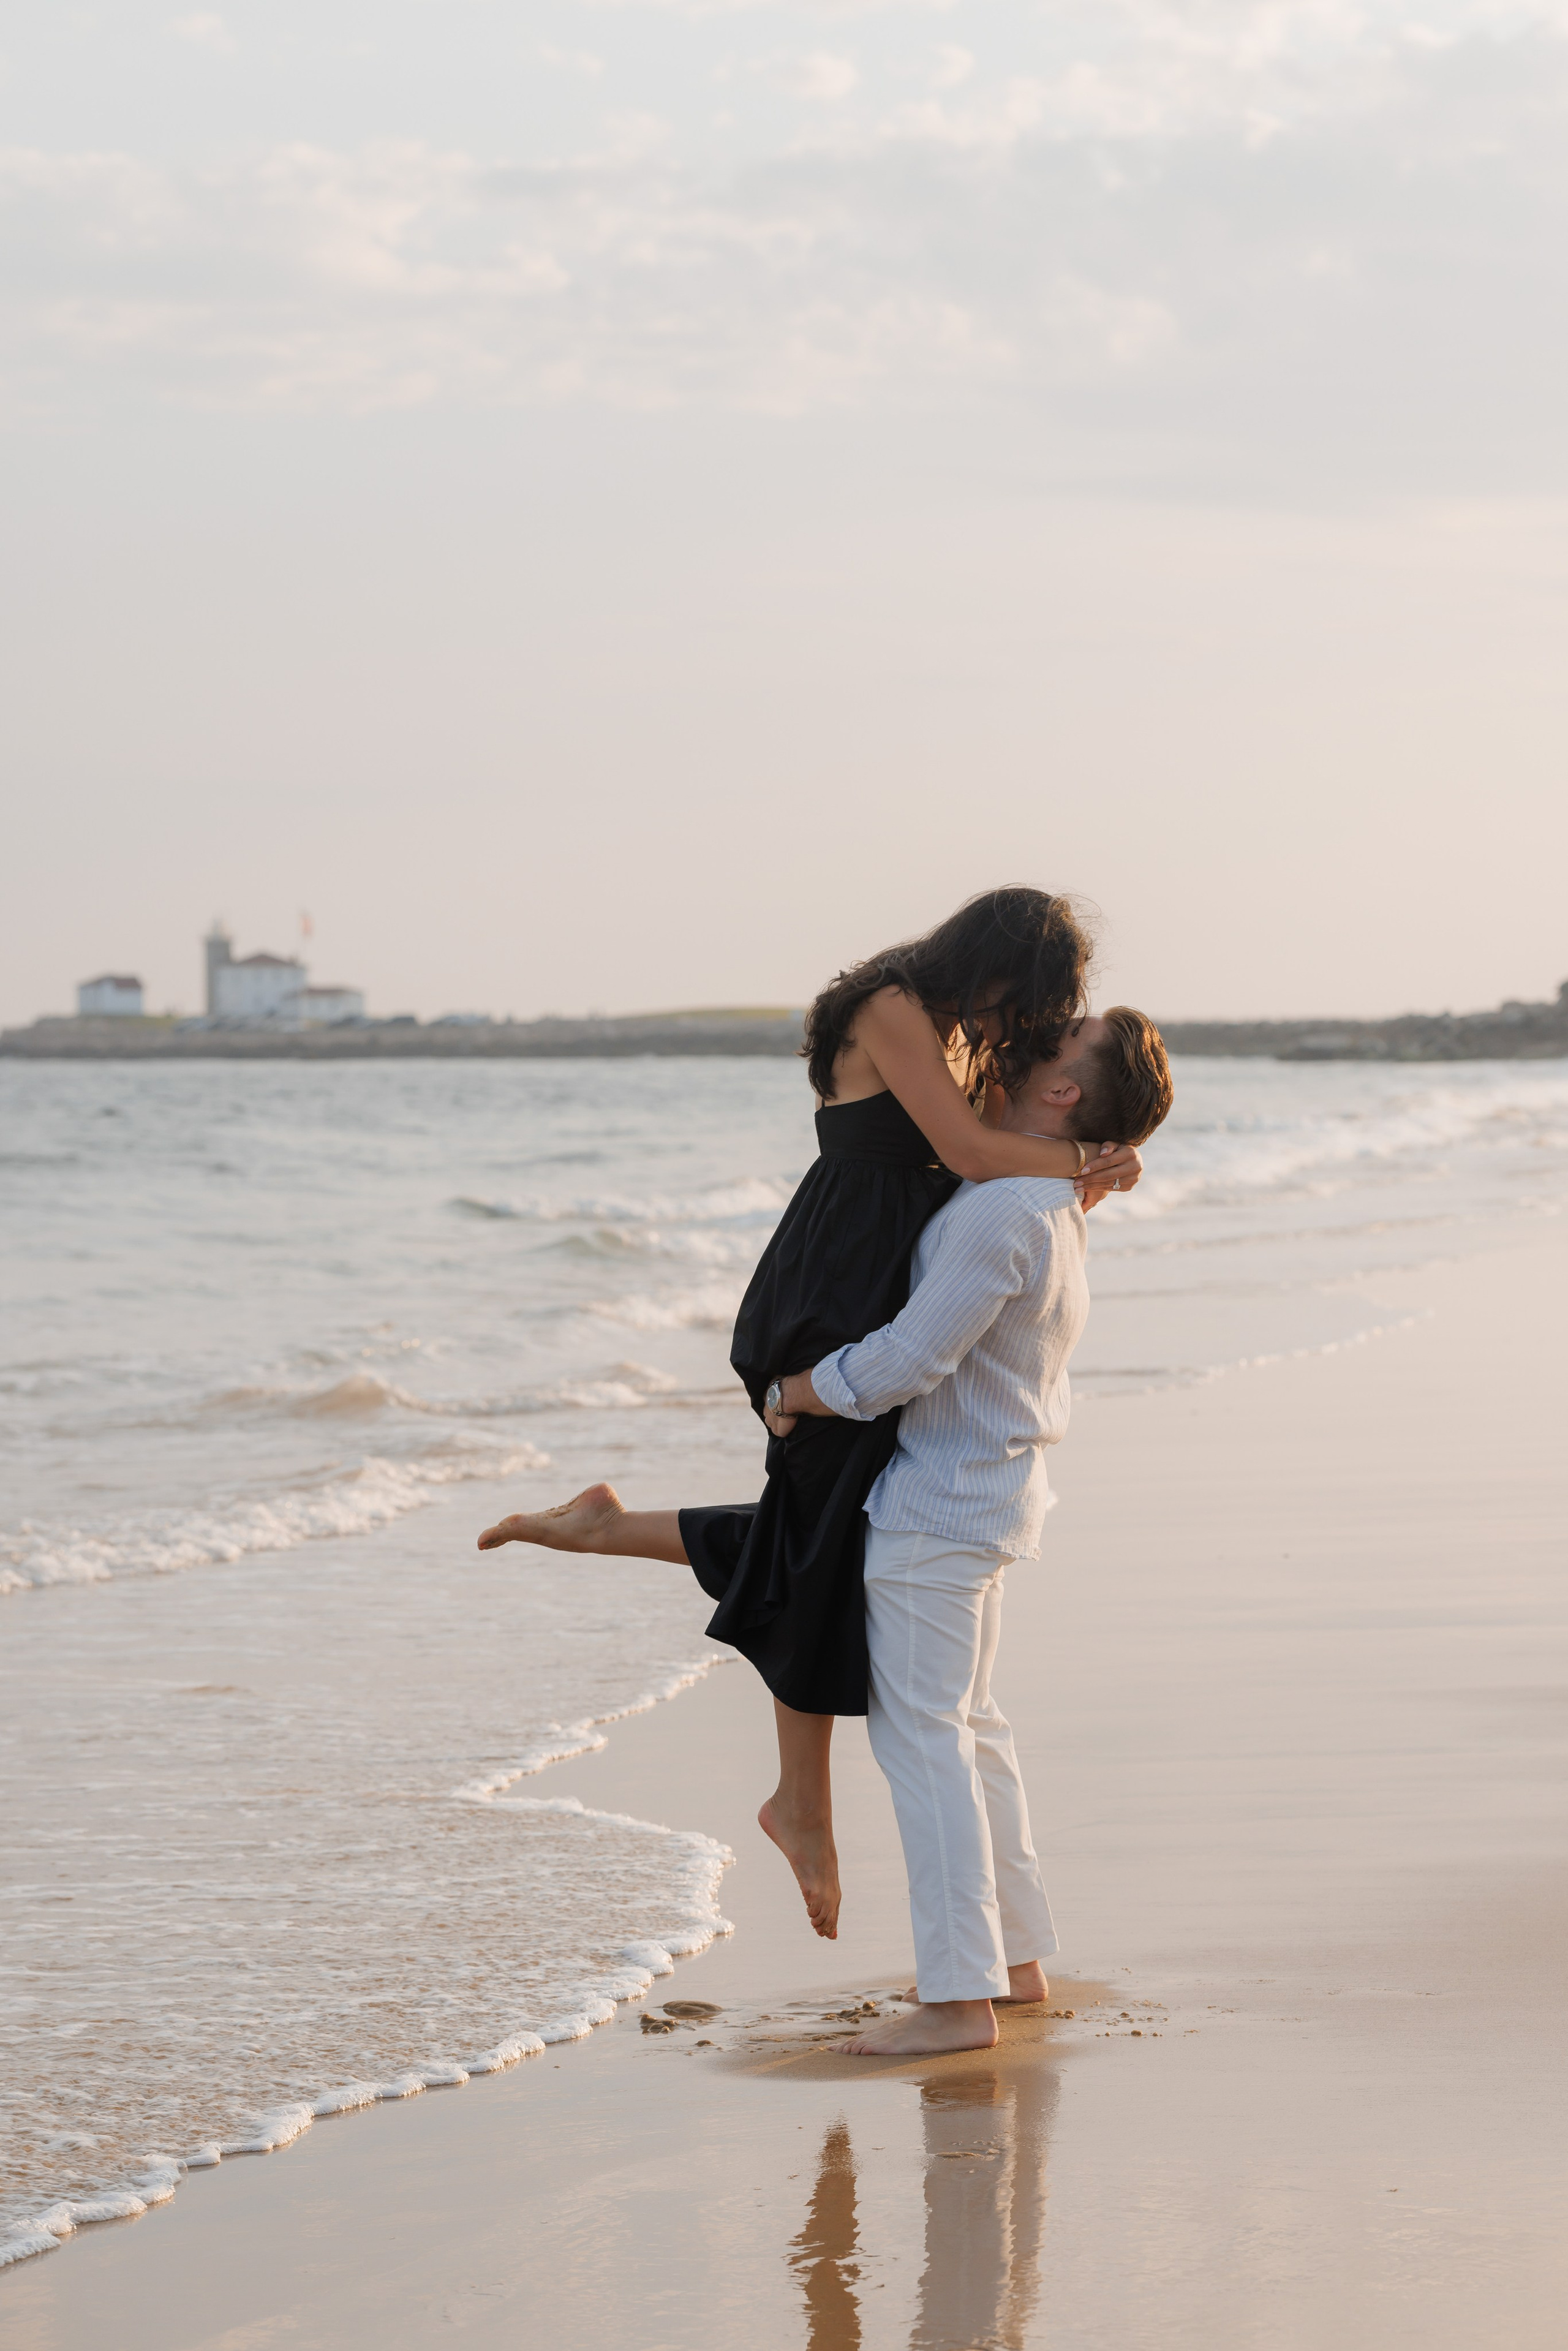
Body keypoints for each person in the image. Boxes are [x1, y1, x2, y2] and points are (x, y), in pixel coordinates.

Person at [478, 888, 1145, 1940]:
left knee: (820, 1535)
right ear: (999, 961)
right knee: (814, 1532)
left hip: (890, 1289)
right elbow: (972, 1155)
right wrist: (1083, 1159)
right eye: (1037, 995)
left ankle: (607, 1536)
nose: (1030, 1020)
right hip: (834, 1290)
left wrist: (1092, 1161)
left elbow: (978, 1158)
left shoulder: (965, 1038)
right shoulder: (890, 1004)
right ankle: (804, 1807)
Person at [762, 1006, 1174, 2056]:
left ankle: (956, 2000)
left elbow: (908, 1359)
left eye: (1058, 1040)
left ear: (1067, 1091)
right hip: (990, 1496)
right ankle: (1018, 1961)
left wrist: (802, 1388)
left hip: (941, 1508)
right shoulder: (1047, 1199)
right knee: (974, 1731)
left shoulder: (1009, 1211)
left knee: (926, 1745)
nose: (1032, 1038)